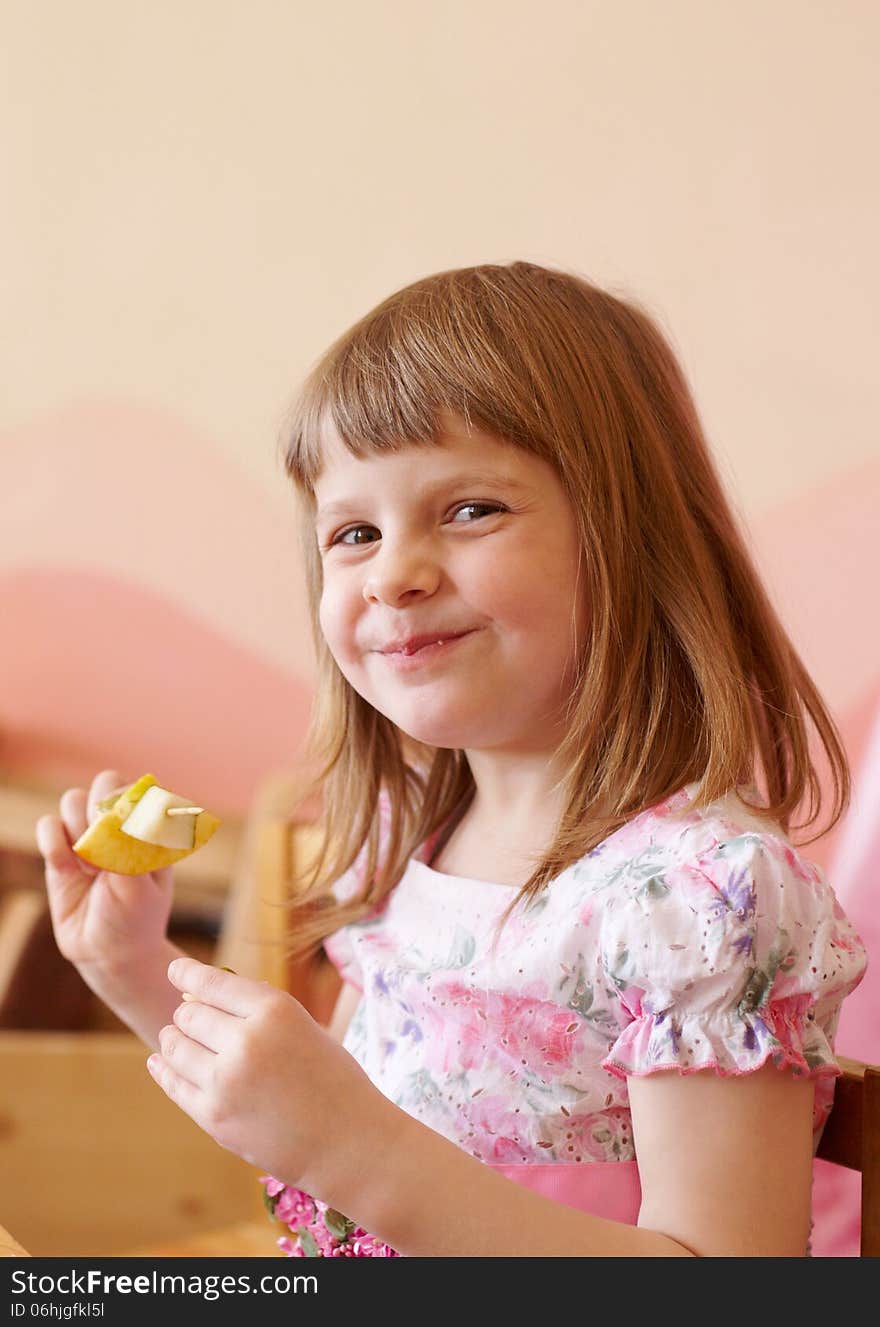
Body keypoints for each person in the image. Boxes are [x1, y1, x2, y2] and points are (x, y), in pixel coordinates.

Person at [36, 260, 868, 1258]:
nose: (393, 572)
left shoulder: (696, 902)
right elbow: (312, 1142)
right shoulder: (404, 846)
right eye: (352, 531)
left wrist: (357, 1145)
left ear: (631, 539)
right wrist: (133, 970)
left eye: (471, 509)